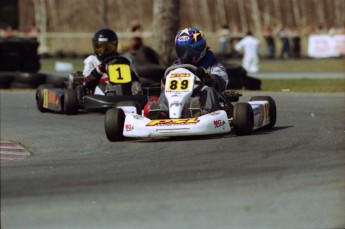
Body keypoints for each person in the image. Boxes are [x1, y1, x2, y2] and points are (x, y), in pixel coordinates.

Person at [150, 27, 229, 118]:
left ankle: (203, 113)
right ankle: (163, 113)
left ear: (201, 48)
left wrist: (207, 76)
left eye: (192, 50)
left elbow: (222, 82)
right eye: (182, 51)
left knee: (209, 90)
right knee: (166, 91)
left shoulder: (213, 65)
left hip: (203, 100)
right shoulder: (174, 68)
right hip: (177, 100)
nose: (186, 55)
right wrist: (164, 83)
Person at [82, 28, 142, 95]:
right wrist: (98, 71)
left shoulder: (124, 59)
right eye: (101, 47)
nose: (105, 51)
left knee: (136, 86)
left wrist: (128, 71)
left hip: (125, 88)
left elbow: (136, 78)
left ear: (115, 46)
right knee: (105, 89)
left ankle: (144, 100)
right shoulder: (91, 60)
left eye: (109, 47)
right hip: (101, 91)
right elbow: (86, 83)